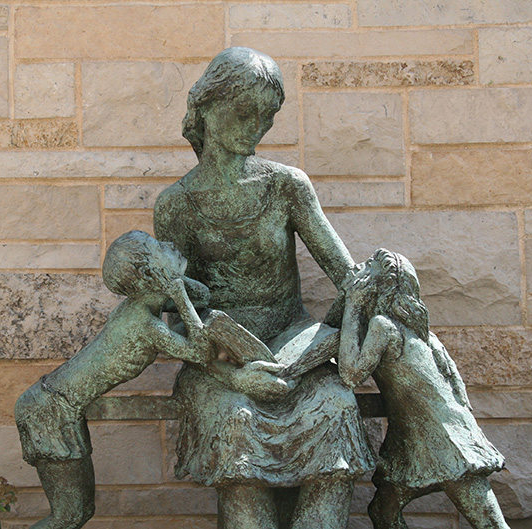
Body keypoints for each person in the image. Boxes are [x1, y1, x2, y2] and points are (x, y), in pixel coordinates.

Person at [154, 47, 374, 529]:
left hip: (293, 342)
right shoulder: (176, 205)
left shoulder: (287, 186)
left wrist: (379, 288)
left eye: (266, 117)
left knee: (335, 406)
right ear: (206, 107)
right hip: (221, 364)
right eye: (243, 111)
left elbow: (347, 275)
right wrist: (234, 376)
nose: (255, 127)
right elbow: (177, 318)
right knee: (238, 420)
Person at [14, 230, 217, 529]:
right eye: (159, 246)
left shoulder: (145, 303)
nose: (170, 243)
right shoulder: (144, 324)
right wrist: (178, 294)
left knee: (77, 514)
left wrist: (174, 286)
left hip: (52, 403)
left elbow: (203, 296)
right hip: (49, 412)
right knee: (69, 515)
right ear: (151, 274)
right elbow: (203, 352)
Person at [338, 248, 508, 529]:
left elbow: (351, 373)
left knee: (489, 523)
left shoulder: (383, 326)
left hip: (442, 439)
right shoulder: (425, 335)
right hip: (416, 438)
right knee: (382, 511)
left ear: (380, 285)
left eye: (369, 266)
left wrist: (353, 304)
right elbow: (456, 386)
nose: (360, 267)